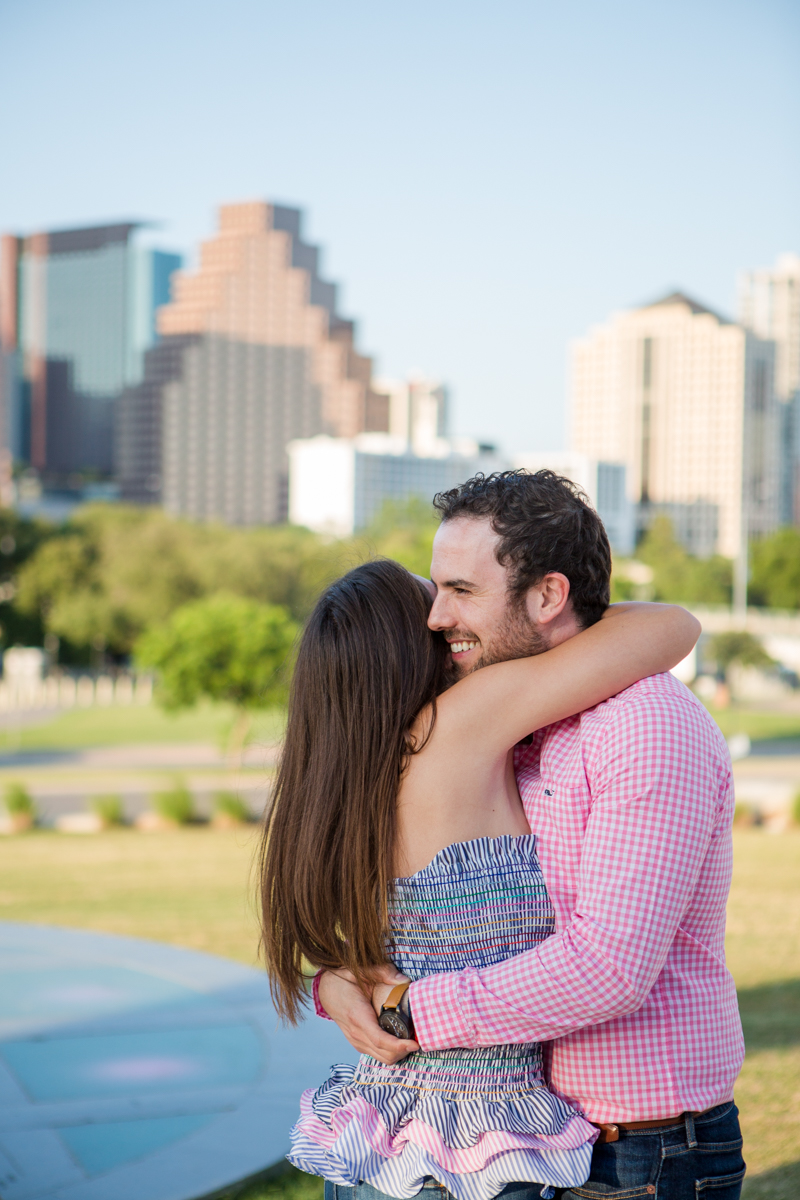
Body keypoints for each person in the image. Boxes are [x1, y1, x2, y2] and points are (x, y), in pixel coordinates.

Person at [313, 471, 746, 1200]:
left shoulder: (645, 726)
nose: (435, 617)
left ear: (547, 596)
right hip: (535, 1142)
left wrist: (406, 1006)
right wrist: (339, 981)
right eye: (435, 588)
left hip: (637, 1152)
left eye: (461, 590)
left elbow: (608, 968)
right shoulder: (503, 726)